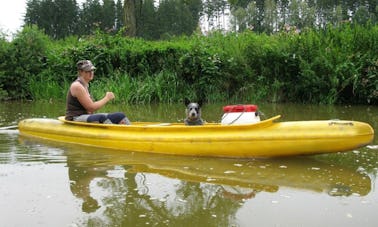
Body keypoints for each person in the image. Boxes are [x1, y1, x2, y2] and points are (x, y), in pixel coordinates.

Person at [65, 60, 131, 124]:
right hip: (75, 118)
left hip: (86, 116)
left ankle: (129, 131)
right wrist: (107, 98)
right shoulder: (77, 86)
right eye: (87, 71)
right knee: (101, 118)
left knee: (119, 116)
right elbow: (91, 108)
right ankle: (112, 133)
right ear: (80, 72)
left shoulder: (85, 85)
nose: (91, 73)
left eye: (92, 70)